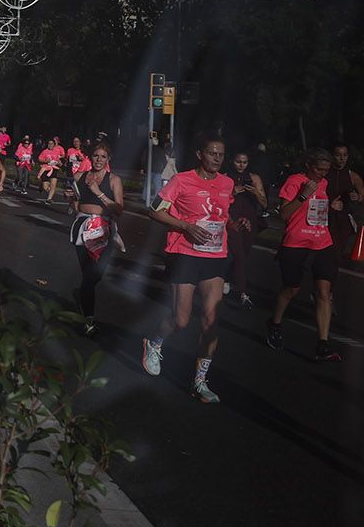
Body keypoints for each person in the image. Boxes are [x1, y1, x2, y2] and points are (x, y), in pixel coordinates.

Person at [142, 135, 233, 404]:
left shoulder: (227, 183)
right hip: (184, 254)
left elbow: (223, 216)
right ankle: (155, 342)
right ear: (200, 154)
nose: (217, 158)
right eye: (212, 153)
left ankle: (200, 381)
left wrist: (236, 225)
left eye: (221, 154)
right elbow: (154, 211)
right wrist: (186, 226)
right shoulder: (181, 180)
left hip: (215, 257)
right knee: (181, 321)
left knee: (210, 322)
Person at [266, 148, 344, 362]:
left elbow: (317, 209)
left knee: (324, 292)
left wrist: (332, 206)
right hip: (296, 243)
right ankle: (275, 323)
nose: (323, 174)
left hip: (322, 242)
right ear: (309, 166)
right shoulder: (295, 181)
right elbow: (284, 214)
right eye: (319, 169)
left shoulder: (325, 184)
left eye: (326, 170)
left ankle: (323, 343)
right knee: (292, 289)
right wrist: (302, 195)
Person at [72, 141, 124, 337]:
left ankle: (82, 296)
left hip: (103, 230)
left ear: (108, 159)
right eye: (96, 156)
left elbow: (118, 210)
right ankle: (89, 319)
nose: (99, 160)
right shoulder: (79, 177)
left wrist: (99, 193)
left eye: (103, 157)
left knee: (97, 274)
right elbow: (76, 205)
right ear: (90, 157)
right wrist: (71, 198)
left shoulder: (114, 180)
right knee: (88, 274)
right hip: (82, 227)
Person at [224, 150, 267, 309]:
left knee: (243, 255)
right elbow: (220, 201)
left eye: (245, 162)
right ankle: (243, 293)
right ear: (232, 161)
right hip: (232, 220)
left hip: (250, 221)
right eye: (238, 162)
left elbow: (264, 203)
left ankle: (227, 276)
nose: (241, 165)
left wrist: (255, 192)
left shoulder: (254, 178)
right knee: (239, 255)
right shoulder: (225, 177)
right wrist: (233, 192)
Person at [327, 143, 364, 258]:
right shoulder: (324, 172)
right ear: (332, 156)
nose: (342, 159)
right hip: (325, 217)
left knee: (336, 253)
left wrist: (358, 197)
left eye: (345, 155)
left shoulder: (353, 176)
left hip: (343, 220)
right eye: (338, 155)